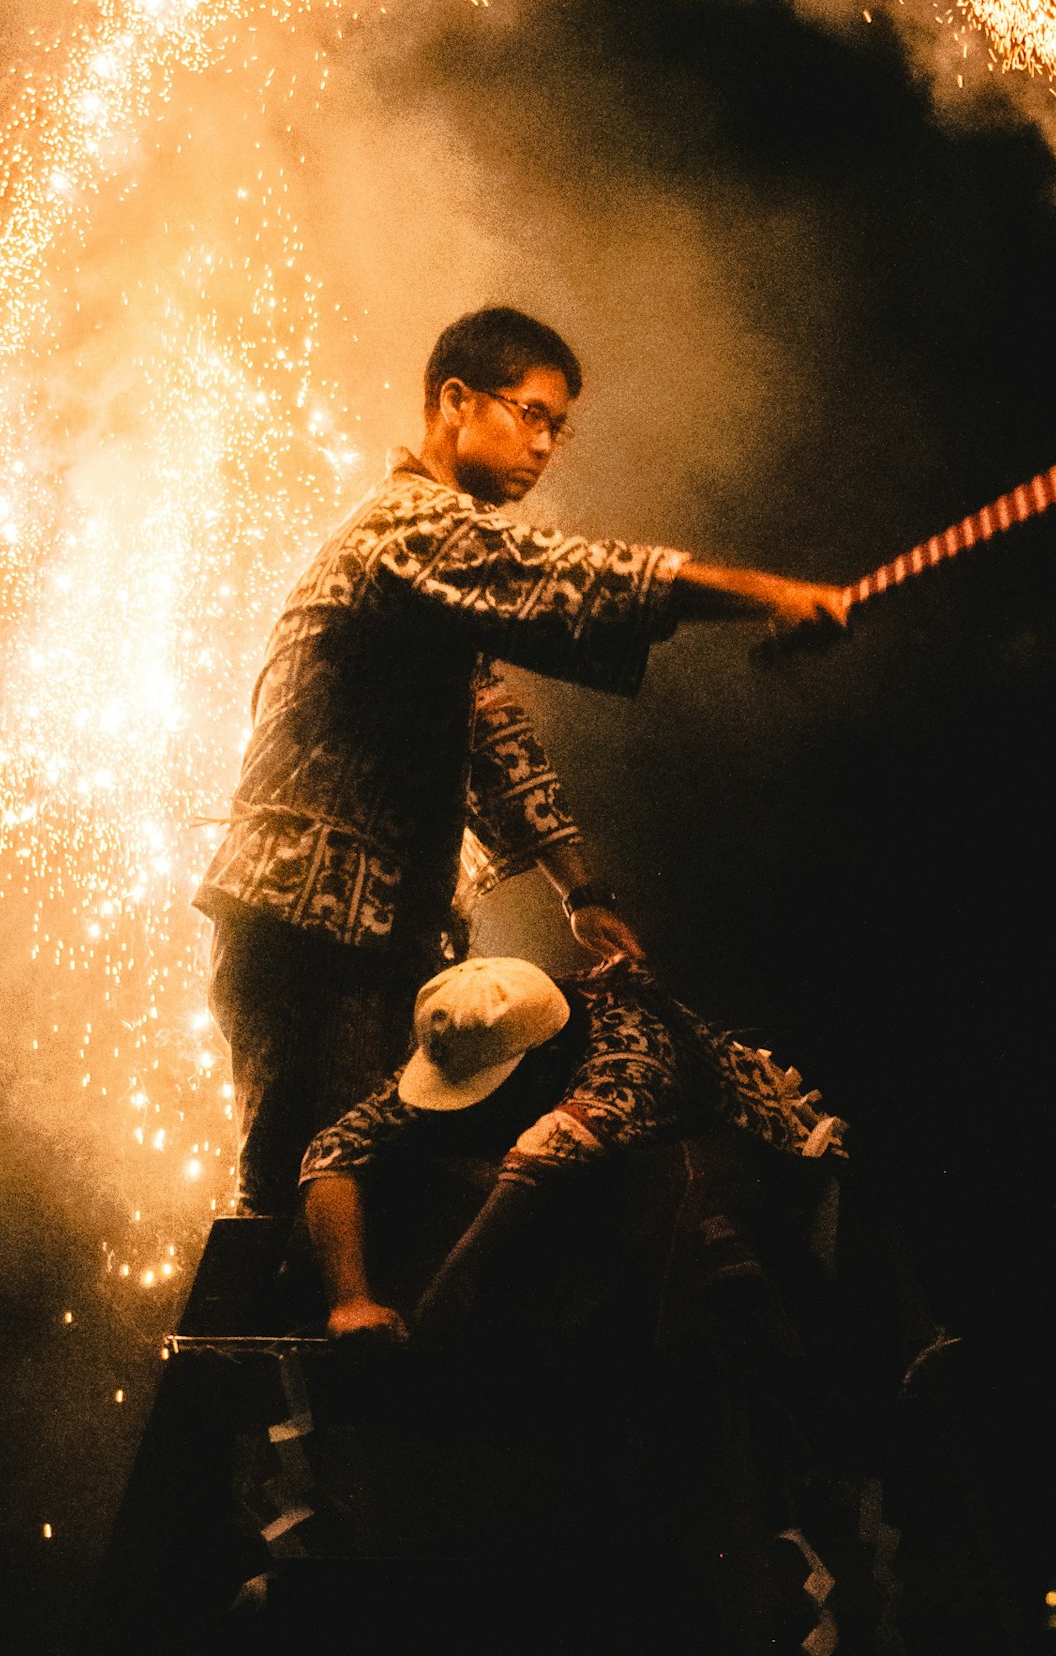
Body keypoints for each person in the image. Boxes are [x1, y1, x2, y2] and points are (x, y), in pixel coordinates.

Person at [195, 307, 854, 1212]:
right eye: (529, 413)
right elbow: (564, 576)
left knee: (356, 1192)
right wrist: (766, 594)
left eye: (558, 425)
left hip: (362, 932)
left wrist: (581, 892)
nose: (545, 444)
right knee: (307, 1194)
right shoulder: (409, 528)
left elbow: (490, 738)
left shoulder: (438, 565)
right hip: (310, 927)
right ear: (456, 401)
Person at [299, 954, 846, 1345]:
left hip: (761, 1159)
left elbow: (556, 1145)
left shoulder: (631, 1043)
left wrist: (449, 1292)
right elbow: (338, 1147)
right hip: (588, 1173)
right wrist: (350, 1299)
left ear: (542, 1061)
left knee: (683, 1206)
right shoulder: (476, 1032)